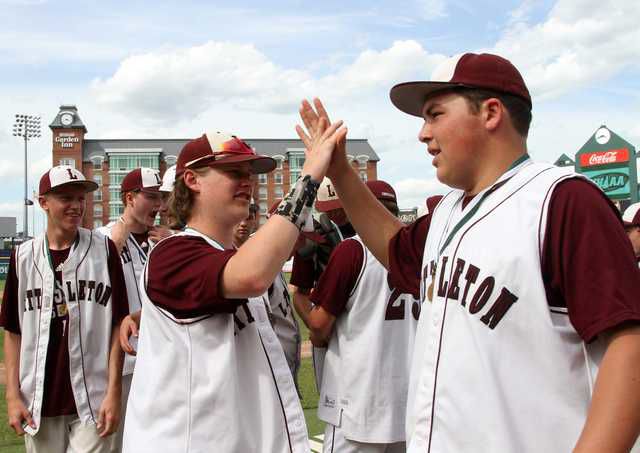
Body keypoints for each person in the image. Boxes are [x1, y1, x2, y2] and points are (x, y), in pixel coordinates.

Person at [296, 53, 640, 452]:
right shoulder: (446, 212)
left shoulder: (560, 200)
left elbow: (628, 344)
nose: (423, 133)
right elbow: (395, 248)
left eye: (435, 114)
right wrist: (340, 171)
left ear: (491, 112)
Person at [121, 128, 345, 453]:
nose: (247, 181)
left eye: (249, 173)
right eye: (232, 172)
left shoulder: (224, 257)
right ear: (192, 179)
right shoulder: (174, 252)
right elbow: (251, 276)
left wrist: (145, 316)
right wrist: (310, 176)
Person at [1, 165, 128, 453]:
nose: (76, 205)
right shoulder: (22, 256)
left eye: (81, 198)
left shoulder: (104, 250)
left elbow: (119, 324)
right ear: (43, 203)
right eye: (66, 198)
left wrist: (113, 392)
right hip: (38, 399)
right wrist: (12, 396)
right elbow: (12, 330)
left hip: (94, 397)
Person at [298, 180, 418, 453]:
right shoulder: (417, 252)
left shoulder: (353, 249)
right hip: (407, 402)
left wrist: (303, 302)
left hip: (357, 401)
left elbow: (318, 327)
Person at [96, 167, 167, 452]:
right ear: (129, 198)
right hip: (119, 365)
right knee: (114, 442)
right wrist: (115, 243)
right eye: (151, 197)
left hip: (159, 359)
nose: (159, 205)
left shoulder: (162, 241)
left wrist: (172, 243)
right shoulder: (102, 237)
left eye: (161, 197)